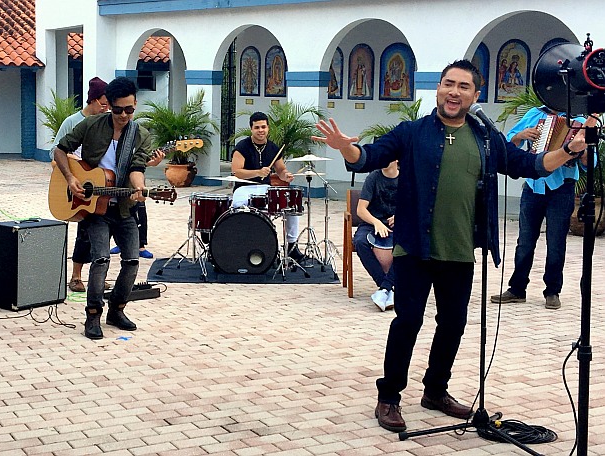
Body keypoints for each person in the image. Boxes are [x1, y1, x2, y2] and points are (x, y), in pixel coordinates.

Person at [313, 59, 595, 433]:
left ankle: (435, 391)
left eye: (464, 86)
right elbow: (368, 157)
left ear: (475, 95)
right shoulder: (411, 132)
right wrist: (345, 149)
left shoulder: (484, 137)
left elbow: (529, 164)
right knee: (408, 321)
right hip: (414, 248)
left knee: (453, 325)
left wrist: (571, 150)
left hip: (460, 250)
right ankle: (389, 396)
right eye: (449, 83)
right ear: (438, 88)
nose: (454, 91)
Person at [52, 77, 152, 340]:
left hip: (123, 208)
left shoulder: (139, 134)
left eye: (129, 110)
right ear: (108, 105)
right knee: (101, 260)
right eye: (117, 109)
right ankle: (92, 315)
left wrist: (139, 188)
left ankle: (117, 310)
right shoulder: (93, 124)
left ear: (135, 105)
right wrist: (72, 179)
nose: (123, 115)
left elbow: (136, 168)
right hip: (93, 208)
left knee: (131, 260)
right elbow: (60, 150)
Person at [491, 107, 595, 310]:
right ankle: (517, 288)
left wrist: (581, 151)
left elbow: (590, 163)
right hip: (533, 185)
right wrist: (521, 135)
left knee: (556, 243)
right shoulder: (534, 114)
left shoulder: (580, 120)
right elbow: (509, 143)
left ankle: (552, 290)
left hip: (562, 187)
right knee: (525, 242)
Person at [53, 77, 109, 293]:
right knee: (84, 233)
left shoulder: (107, 125)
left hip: (97, 184)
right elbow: (55, 152)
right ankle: (76, 276)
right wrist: (73, 169)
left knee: (100, 232)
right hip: (74, 182)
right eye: (103, 104)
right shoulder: (72, 122)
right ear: (93, 101)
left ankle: (97, 275)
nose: (106, 109)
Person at [231, 111, 304, 261]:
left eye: (263, 127)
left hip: (265, 188)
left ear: (268, 128)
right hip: (244, 188)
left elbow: (281, 170)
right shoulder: (242, 147)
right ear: (251, 129)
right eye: (257, 127)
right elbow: (236, 172)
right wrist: (258, 172)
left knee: (291, 205)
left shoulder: (273, 148)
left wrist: (286, 176)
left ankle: (292, 246)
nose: (261, 130)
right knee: (238, 204)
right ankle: (239, 242)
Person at [354, 160, 398, 311]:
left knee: (409, 243)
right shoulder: (373, 178)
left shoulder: (407, 178)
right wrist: (376, 222)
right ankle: (386, 288)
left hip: (398, 225)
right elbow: (361, 210)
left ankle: (384, 289)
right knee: (360, 242)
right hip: (371, 224)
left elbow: (416, 206)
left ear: (397, 159)